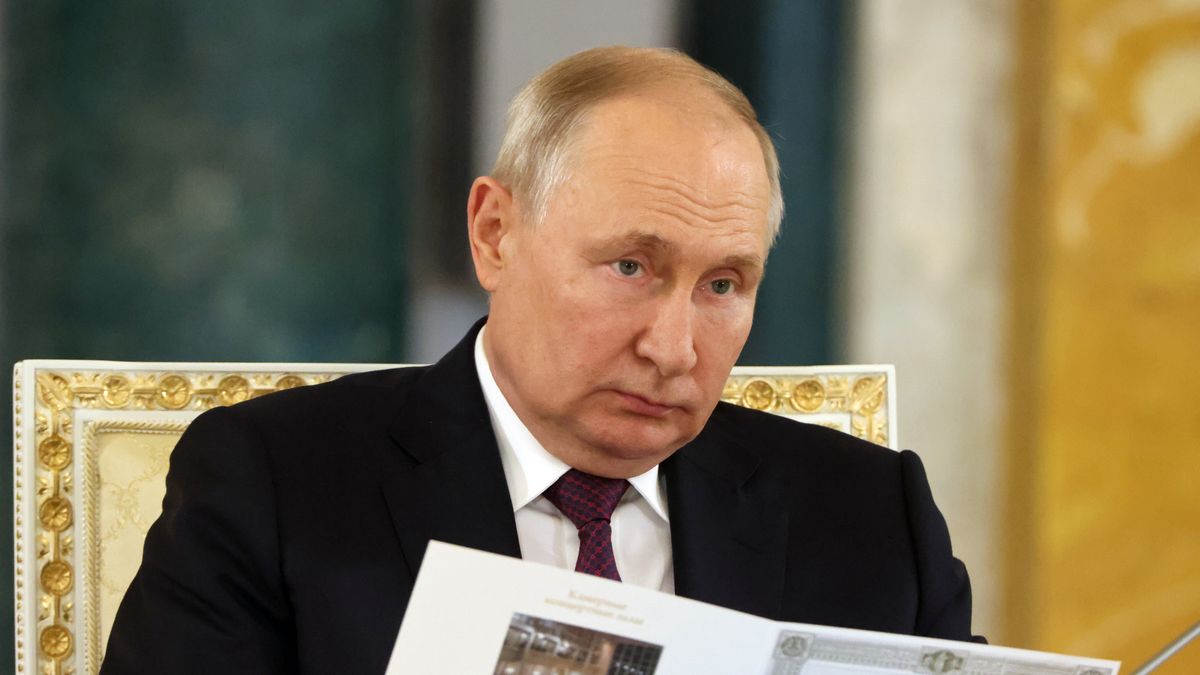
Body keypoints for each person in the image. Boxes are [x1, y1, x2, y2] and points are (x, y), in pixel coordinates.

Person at [101, 46, 980, 674]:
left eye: (723, 284)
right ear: (495, 234)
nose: (672, 349)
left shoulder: (870, 516)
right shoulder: (274, 485)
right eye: (631, 266)